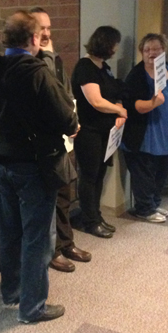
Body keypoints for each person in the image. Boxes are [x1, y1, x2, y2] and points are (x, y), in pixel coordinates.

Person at [0, 11, 78, 324]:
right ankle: (32, 308)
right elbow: (66, 117)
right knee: (37, 238)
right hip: (34, 166)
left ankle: (12, 292)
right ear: (33, 39)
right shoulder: (37, 72)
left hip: (2, 165)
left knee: (10, 231)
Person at [30, 7, 91, 273]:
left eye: (48, 28)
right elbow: (47, 97)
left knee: (65, 194)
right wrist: (46, 54)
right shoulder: (34, 61)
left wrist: (73, 123)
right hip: (45, 145)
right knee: (50, 199)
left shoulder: (54, 59)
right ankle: (53, 250)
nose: (45, 33)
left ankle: (66, 243)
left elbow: (65, 95)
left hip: (64, 139)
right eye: (40, 28)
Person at [121, 34, 168, 223]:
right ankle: (144, 208)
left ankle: (155, 203)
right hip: (146, 133)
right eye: (147, 49)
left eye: (156, 48)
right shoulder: (137, 75)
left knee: (163, 170)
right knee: (145, 173)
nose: (152, 53)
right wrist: (153, 102)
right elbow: (132, 106)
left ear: (163, 50)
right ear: (142, 52)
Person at [71, 26, 127, 237]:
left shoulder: (104, 67)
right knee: (89, 176)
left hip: (105, 131)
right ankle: (89, 220)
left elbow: (114, 92)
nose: (115, 49)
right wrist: (119, 109)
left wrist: (119, 107)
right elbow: (96, 101)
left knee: (100, 174)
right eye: (114, 44)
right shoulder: (85, 67)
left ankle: (96, 215)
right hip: (89, 131)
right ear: (105, 43)